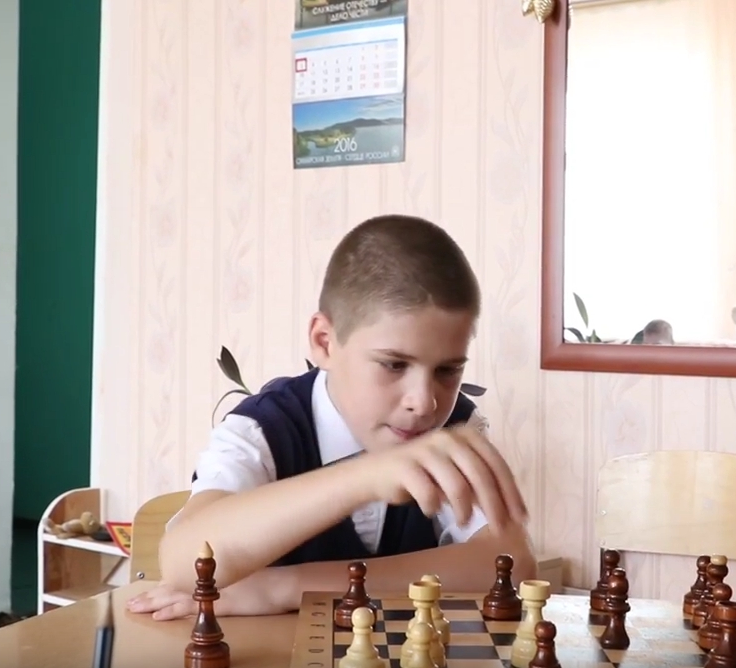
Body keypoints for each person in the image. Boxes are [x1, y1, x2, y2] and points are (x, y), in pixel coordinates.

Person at [126, 214, 534, 620]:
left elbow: (511, 566)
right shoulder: (262, 428)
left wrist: (284, 588)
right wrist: (365, 476)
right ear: (324, 342)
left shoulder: (454, 428)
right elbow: (184, 563)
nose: (424, 402)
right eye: (394, 364)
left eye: (448, 370)